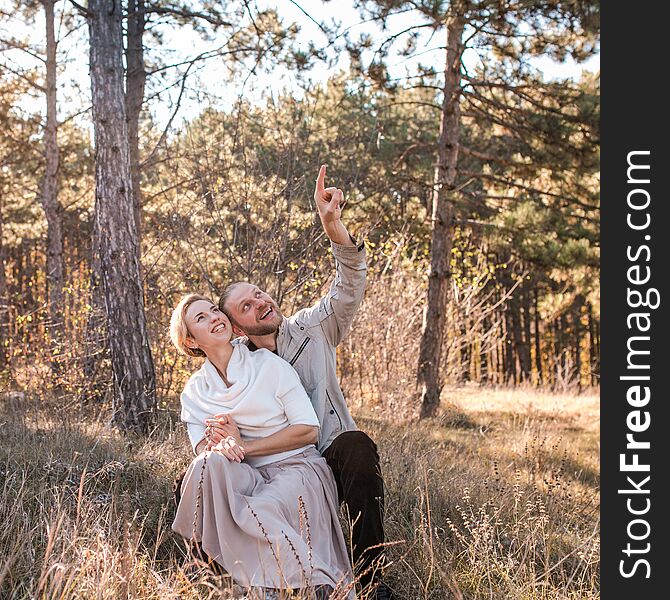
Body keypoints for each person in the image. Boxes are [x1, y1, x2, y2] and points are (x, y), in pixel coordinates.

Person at [211, 165, 394, 599]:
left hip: (324, 449)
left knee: (358, 446)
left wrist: (333, 226)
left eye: (258, 294)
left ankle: (370, 579)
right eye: (245, 306)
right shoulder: (236, 366)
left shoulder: (313, 329)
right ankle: (218, 575)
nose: (259, 303)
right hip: (273, 466)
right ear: (236, 328)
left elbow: (348, 288)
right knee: (197, 479)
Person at [169, 294, 355, 599]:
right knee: (205, 466)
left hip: (297, 467)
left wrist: (243, 445)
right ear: (190, 341)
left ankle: (316, 582)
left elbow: (307, 430)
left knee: (260, 508)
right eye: (201, 318)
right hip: (247, 475)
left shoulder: (267, 364)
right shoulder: (196, 391)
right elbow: (204, 448)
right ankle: (214, 565)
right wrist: (224, 447)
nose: (215, 317)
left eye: (215, 311)